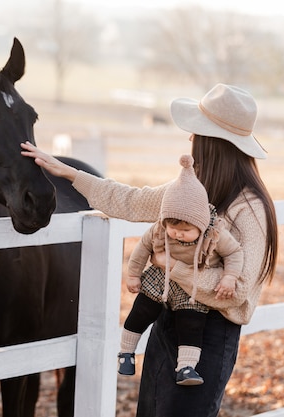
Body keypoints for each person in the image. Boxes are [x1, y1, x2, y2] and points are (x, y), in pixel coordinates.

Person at [21, 83, 278, 416]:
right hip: (167, 323)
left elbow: (238, 289)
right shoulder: (190, 192)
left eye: (196, 133)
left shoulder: (250, 207)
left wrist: (172, 268)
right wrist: (68, 172)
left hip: (210, 338)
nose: (190, 139)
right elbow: (129, 200)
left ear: (214, 144)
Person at [119, 154, 243, 387]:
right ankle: (126, 353)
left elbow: (235, 253)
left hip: (191, 288)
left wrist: (229, 277)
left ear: (201, 222)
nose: (177, 234)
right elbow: (141, 250)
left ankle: (186, 367)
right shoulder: (159, 229)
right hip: (159, 279)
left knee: (192, 324)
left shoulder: (214, 234)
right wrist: (133, 274)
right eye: (173, 229)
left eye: (185, 230)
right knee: (141, 311)